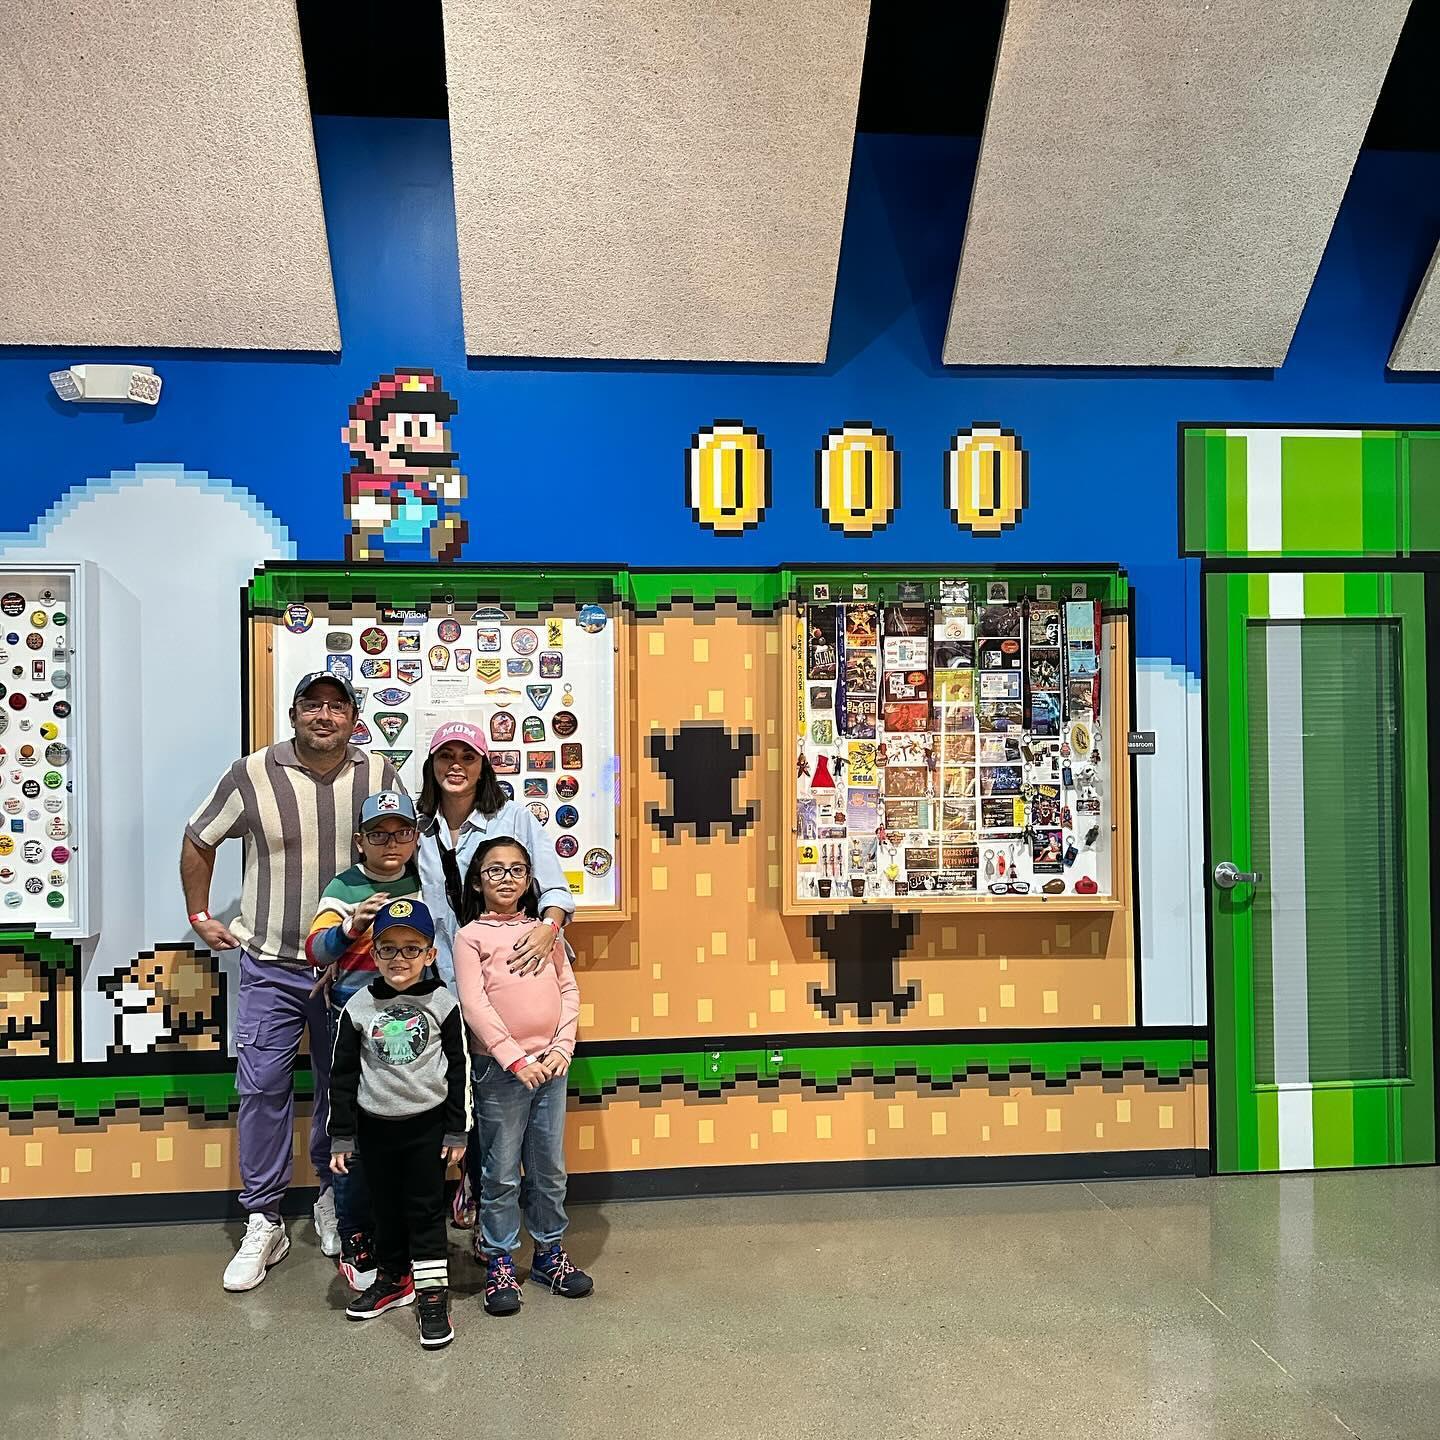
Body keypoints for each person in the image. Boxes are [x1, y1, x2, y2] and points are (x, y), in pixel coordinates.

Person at [181, 671, 401, 1292]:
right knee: (262, 1091)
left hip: (354, 970)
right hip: (271, 966)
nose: (324, 716)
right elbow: (199, 838)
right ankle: (264, 1219)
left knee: (345, 1091)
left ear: (355, 718)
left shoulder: (379, 774)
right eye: (314, 705)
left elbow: (403, 848)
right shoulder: (251, 773)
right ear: (294, 712)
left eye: (338, 706)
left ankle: (334, 1196)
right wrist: (201, 916)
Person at [415, 720, 576, 1229]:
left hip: (513, 985)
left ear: (483, 764)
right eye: (445, 756)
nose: (455, 766)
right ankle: (473, 1189)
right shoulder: (418, 830)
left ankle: (496, 1211)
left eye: (467, 756)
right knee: (462, 1093)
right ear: (431, 766)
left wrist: (549, 931)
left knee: (506, 1099)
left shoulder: (513, 817)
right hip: (442, 981)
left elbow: (555, 889)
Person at [453, 837, 592, 1316]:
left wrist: (561, 1048)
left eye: (517, 869)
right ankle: (499, 1260)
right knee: (501, 1172)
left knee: (550, 1169)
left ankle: (550, 1253)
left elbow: (568, 990)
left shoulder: (545, 932)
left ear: (531, 878)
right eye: (495, 870)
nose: (507, 878)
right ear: (478, 881)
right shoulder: (469, 936)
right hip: (501, 1071)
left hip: (551, 1068)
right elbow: (475, 1004)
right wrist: (515, 1059)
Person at [329, 899, 468, 1349]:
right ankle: (394, 1279)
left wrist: (456, 1129)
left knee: (425, 1212)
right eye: (388, 949)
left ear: (430, 954)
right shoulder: (358, 1007)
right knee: (384, 1208)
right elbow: (343, 1075)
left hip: (427, 1130)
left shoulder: (443, 1004)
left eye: (412, 949)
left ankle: (432, 1295)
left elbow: (458, 1069)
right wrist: (342, 1135)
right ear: (373, 953)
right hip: (375, 1129)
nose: (400, 959)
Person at [305, 788, 423, 1291]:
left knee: (413, 1119)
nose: (390, 842)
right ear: (360, 841)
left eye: (400, 832)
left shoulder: (426, 880)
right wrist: (350, 928)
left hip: (418, 1021)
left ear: (416, 838)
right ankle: (353, 1227)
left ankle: (409, 1227)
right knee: (351, 1122)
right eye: (378, 834)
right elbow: (315, 949)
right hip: (353, 1019)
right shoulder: (345, 884)